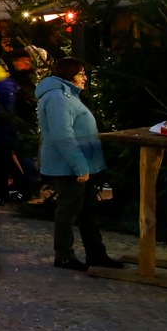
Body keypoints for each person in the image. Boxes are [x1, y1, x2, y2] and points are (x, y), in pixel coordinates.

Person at [35, 58, 124, 271]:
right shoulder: (58, 97)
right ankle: (64, 255)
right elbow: (63, 136)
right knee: (69, 210)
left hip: (79, 164)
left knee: (87, 210)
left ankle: (96, 253)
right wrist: (80, 166)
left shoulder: (67, 95)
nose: (85, 78)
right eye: (81, 73)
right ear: (69, 73)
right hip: (70, 167)